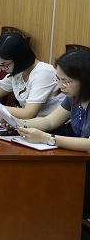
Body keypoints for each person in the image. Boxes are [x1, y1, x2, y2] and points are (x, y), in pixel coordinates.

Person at [16, 49, 90, 217]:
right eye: (58, 79)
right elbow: (50, 121)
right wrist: (18, 123)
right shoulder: (74, 96)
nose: (60, 86)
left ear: (85, 79)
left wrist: (47, 138)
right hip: (81, 159)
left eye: (67, 81)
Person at [0, 33, 63, 119]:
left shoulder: (43, 73)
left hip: (54, 126)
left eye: (5, 64)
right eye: (0, 64)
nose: (4, 69)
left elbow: (28, 114)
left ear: (19, 58)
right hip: (32, 124)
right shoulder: (18, 72)